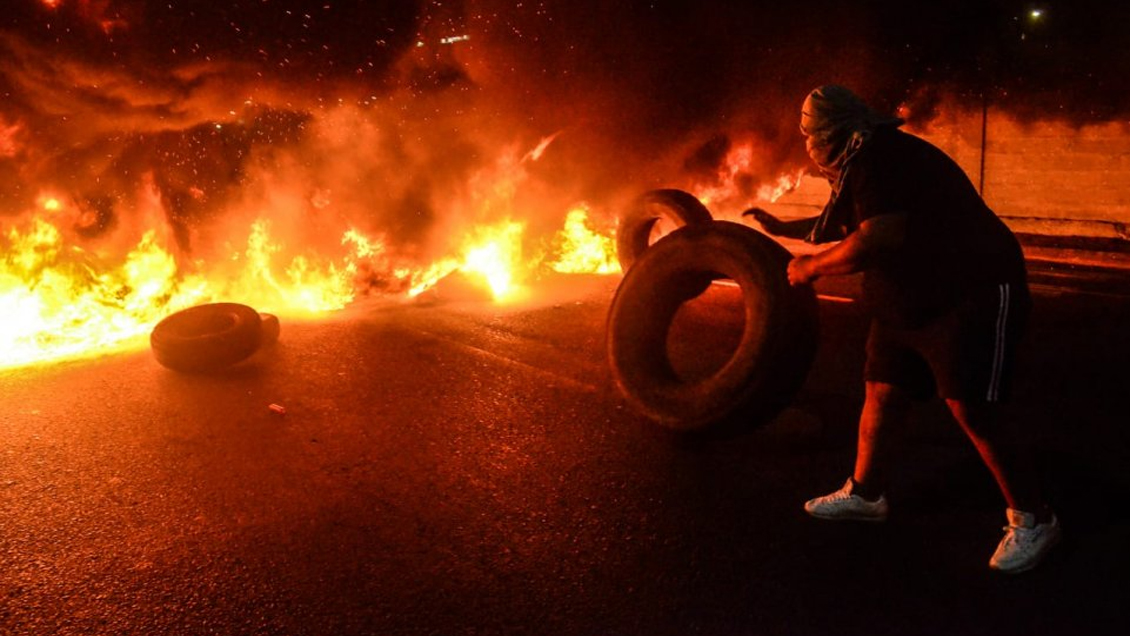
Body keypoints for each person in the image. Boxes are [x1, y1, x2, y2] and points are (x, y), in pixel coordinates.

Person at [747, 84, 1060, 574]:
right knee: (881, 391)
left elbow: (876, 236)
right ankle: (866, 494)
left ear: (841, 132)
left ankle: (1033, 518)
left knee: (972, 407)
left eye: (812, 135)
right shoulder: (861, 161)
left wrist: (811, 267)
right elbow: (851, 219)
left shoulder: (882, 159)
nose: (808, 145)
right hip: (907, 294)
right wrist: (784, 229)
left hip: (968, 292)